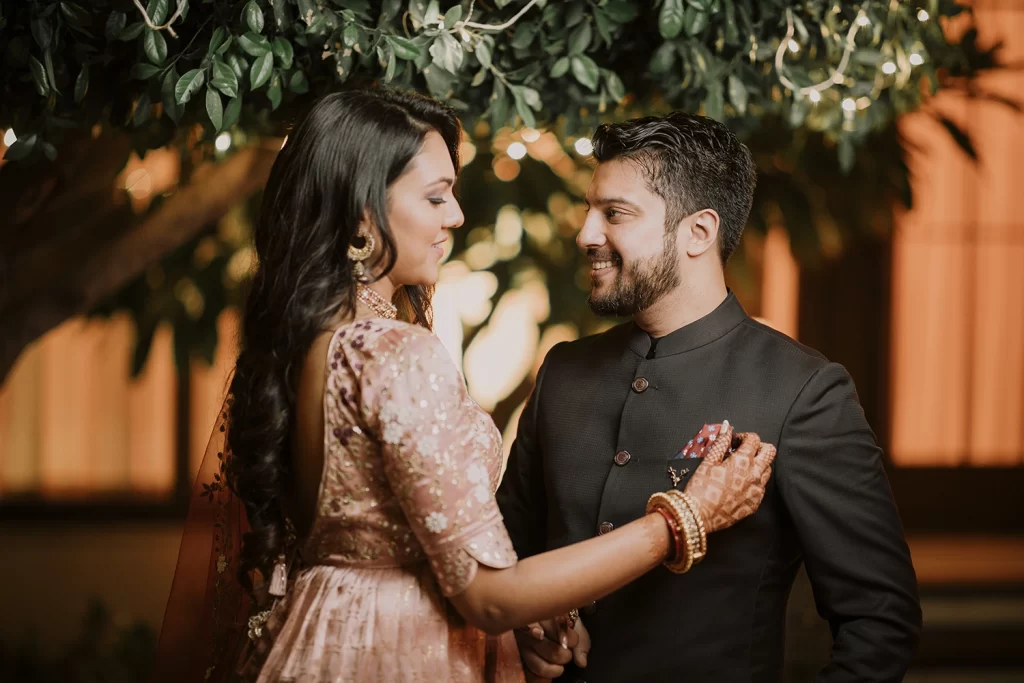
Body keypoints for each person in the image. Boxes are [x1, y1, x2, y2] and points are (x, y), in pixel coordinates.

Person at [151, 90, 778, 683]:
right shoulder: (394, 353)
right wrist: (683, 518)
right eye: (435, 197)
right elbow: (489, 597)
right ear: (365, 213)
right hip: (398, 653)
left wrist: (534, 612)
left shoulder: (310, 343)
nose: (454, 215)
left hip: (327, 637)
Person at [497, 112, 922, 683]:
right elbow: (504, 558)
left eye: (615, 214)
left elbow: (881, 623)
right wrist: (529, 630)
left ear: (699, 232)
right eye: (590, 209)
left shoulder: (803, 390)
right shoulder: (564, 372)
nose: (586, 234)